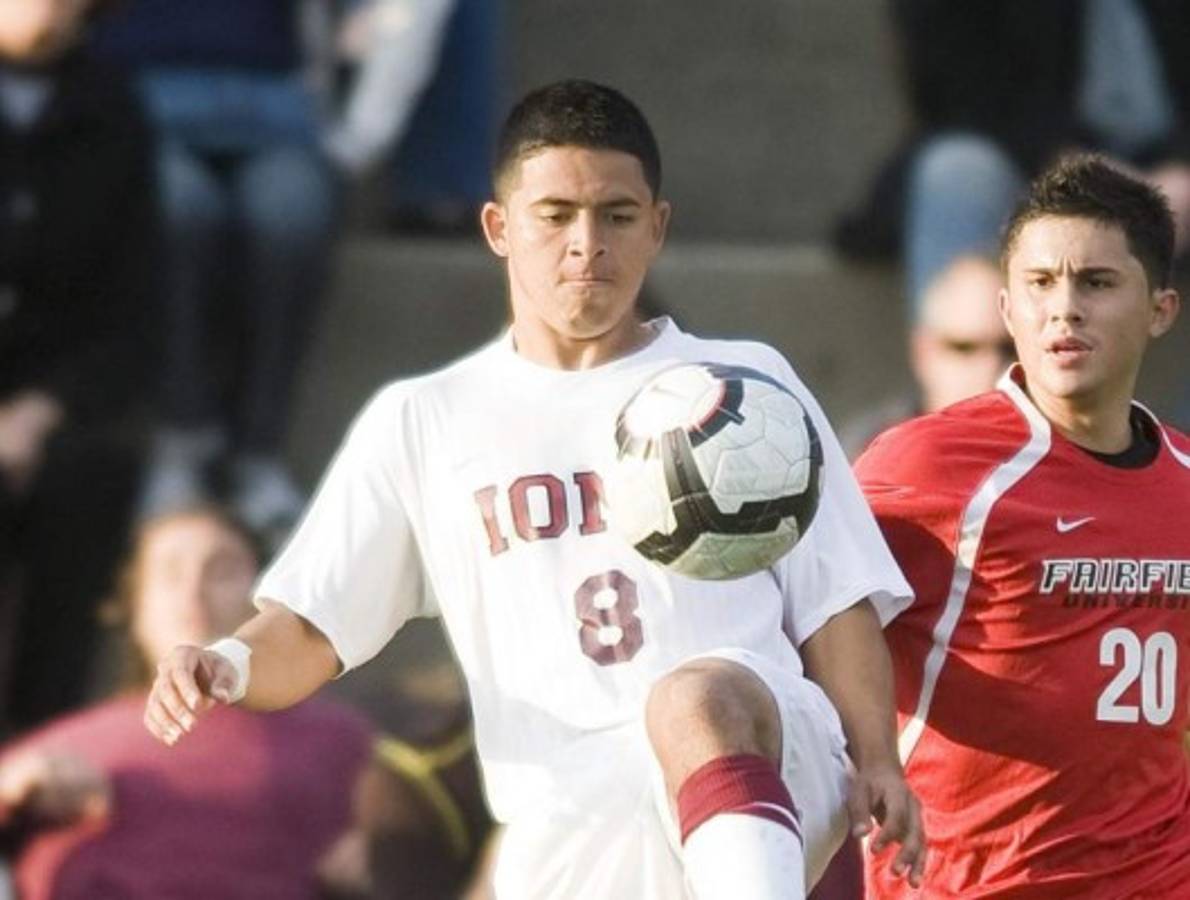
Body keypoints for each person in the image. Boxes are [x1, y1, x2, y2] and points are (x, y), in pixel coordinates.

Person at [143, 80, 925, 899]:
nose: (586, 244)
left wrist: (876, 756)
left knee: (697, 695)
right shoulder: (424, 420)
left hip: (757, 763)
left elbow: (838, 600)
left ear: (657, 228)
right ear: (499, 227)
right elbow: (311, 629)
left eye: (617, 216)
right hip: (569, 826)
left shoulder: (748, 385)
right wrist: (225, 664)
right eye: (555, 215)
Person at [855, 155, 1190, 897]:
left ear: (1161, 310)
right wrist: (873, 754)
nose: (1063, 309)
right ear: (1010, 309)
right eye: (1040, 284)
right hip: (968, 882)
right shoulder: (931, 464)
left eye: (1096, 283)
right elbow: (813, 603)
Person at [0, 507, 371, 899]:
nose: (194, 592)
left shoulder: (340, 741)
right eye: (170, 574)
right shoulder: (54, 747)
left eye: (222, 571)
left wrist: (381, 863)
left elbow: (409, 856)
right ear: (134, 606)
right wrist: (9, 790)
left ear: (266, 602)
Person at [0, 0, 157, 731]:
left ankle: (40, 749)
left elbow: (131, 310)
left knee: (90, 480)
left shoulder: (113, 109)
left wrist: (36, 412)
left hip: (57, 406)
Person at [839, 254, 1013, 459]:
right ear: (923, 352)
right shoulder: (867, 454)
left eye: (1008, 349)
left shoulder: (1054, 458)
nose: (991, 367)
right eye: (964, 348)